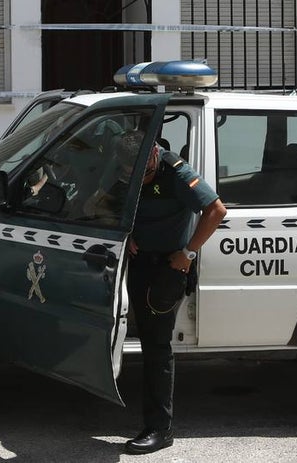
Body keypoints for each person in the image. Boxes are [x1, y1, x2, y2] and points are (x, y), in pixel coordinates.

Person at [114, 131, 227, 455]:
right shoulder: (129, 165)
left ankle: (160, 429)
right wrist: (128, 231)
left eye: (145, 172)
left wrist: (188, 254)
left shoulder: (176, 171)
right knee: (149, 343)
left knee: (156, 348)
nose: (140, 178)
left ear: (154, 154)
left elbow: (217, 210)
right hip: (139, 265)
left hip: (167, 270)